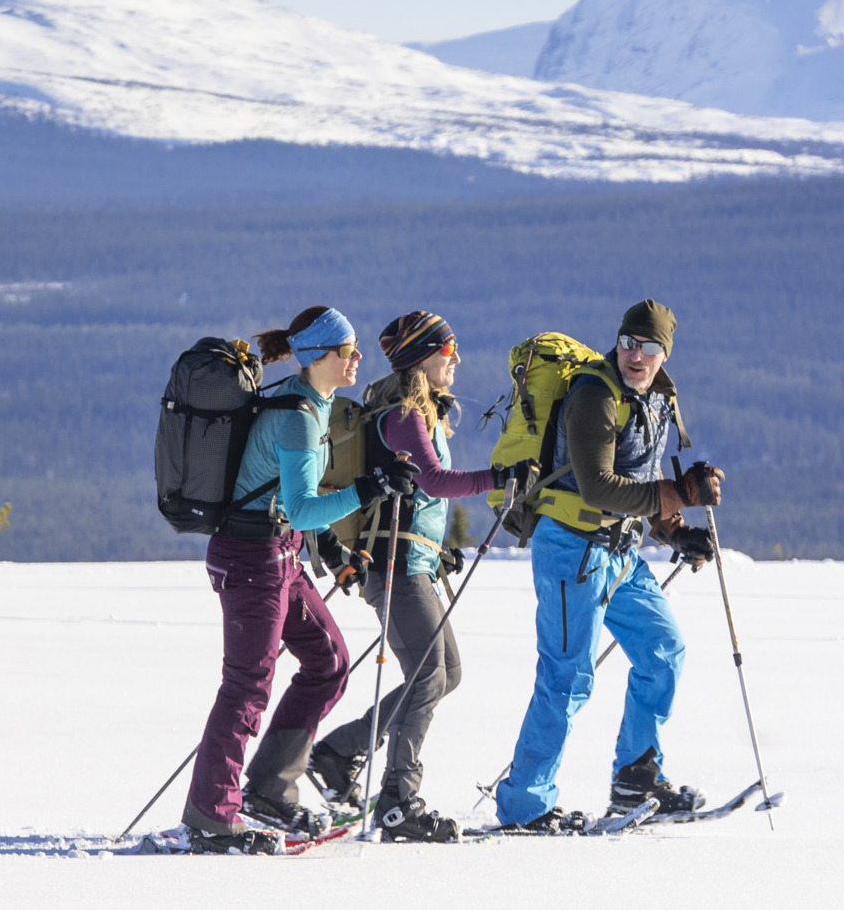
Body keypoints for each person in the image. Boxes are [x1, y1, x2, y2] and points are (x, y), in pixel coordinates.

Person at [181, 305, 416, 854]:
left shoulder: (308, 400)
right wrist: (370, 486)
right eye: (349, 351)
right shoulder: (299, 417)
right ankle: (212, 812)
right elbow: (304, 507)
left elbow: (292, 508)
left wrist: (330, 548)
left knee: (328, 660)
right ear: (321, 357)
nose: (358, 359)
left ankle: (268, 786)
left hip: (277, 555)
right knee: (246, 686)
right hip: (251, 561)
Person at [488, 299, 726, 834]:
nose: (634, 356)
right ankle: (526, 806)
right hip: (571, 548)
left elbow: (635, 486)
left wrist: (674, 531)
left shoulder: (657, 399)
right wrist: (679, 491)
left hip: (620, 551)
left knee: (663, 648)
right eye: (627, 343)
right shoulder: (594, 394)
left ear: (665, 353)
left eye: (647, 347)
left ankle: (636, 779)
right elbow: (597, 485)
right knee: (568, 674)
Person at [306, 311, 531, 843]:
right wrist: (498, 479)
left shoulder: (421, 414)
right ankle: (398, 798)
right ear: (422, 357)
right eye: (447, 351)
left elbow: (419, 498)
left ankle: (340, 751)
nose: (455, 360)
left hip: (415, 563)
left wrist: (438, 550)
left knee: (445, 674)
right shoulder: (405, 413)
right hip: (396, 570)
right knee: (430, 676)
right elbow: (433, 479)